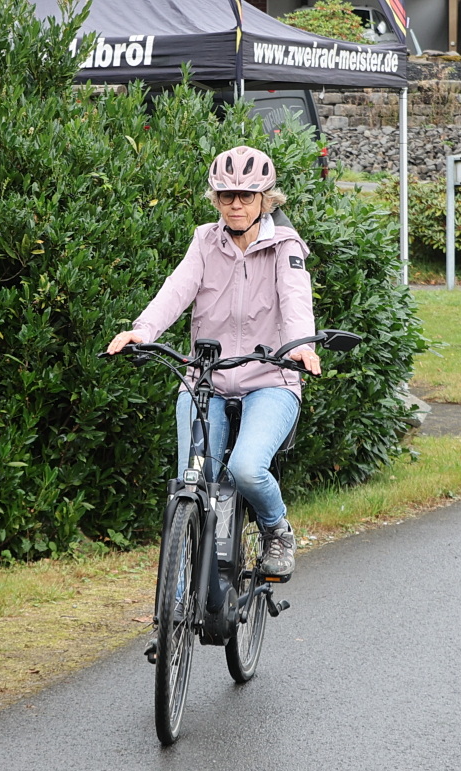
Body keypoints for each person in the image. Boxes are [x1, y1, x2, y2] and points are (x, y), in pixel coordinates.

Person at [105, 145, 319, 577]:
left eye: (245, 195)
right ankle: (176, 612)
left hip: (270, 380)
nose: (235, 204)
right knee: (193, 482)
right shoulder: (205, 241)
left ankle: (277, 529)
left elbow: (295, 298)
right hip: (207, 382)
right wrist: (142, 331)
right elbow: (175, 291)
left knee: (243, 468)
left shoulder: (285, 246)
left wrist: (300, 344)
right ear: (215, 199)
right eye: (226, 196)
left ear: (265, 199)